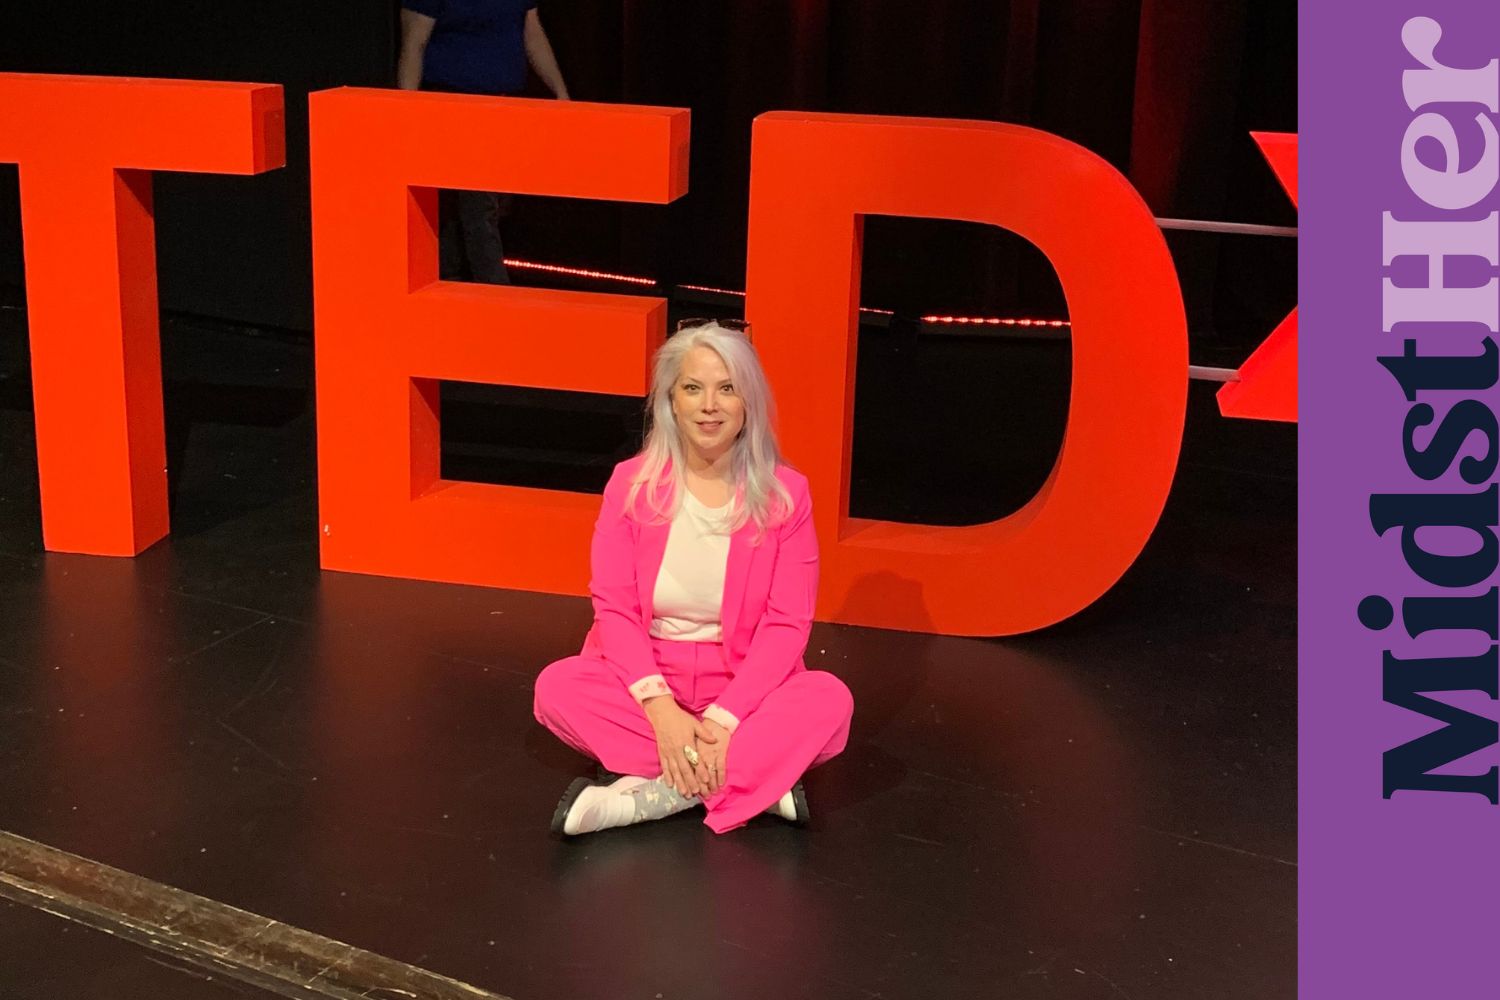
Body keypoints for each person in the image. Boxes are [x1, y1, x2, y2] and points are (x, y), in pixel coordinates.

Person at [533, 320, 855, 836]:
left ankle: (651, 797)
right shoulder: (630, 485)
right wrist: (662, 710)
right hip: (648, 674)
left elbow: (787, 624)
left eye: (727, 388)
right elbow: (613, 610)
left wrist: (724, 719)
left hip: (743, 683)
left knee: (828, 701)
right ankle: (757, 784)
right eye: (693, 388)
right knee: (557, 688)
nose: (710, 405)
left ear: (748, 402)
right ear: (671, 401)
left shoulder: (786, 494)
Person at [396, 1, 571, 284]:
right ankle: (496, 296)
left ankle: (447, 280)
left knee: (485, 206)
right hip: (455, 107)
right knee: (480, 209)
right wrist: (406, 116)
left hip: (502, 109)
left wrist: (561, 94)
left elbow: (532, 31)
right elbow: (413, 44)